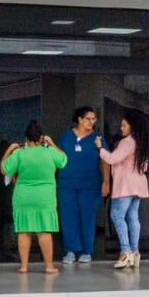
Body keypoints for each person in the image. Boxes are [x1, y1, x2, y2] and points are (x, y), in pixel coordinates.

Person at [0, 121, 67, 274]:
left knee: (24, 231)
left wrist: (9, 150)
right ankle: (49, 266)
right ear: (42, 138)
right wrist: (52, 143)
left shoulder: (19, 154)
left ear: (26, 139)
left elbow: (4, 169)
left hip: (23, 197)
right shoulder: (50, 152)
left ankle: (24, 266)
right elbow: (63, 160)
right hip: (45, 197)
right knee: (44, 231)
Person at [97, 110, 149, 268]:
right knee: (133, 216)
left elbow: (112, 159)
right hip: (138, 184)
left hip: (125, 185)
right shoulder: (141, 142)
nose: (121, 128)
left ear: (132, 126)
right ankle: (135, 252)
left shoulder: (127, 142)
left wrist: (100, 148)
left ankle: (125, 251)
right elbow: (145, 165)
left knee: (117, 215)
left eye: (124, 125)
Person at [56, 105, 109, 264]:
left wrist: (106, 181)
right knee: (68, 216)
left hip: (90, 184)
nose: (91, 122)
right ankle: (71, 250)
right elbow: (56, 157)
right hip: (67, 184)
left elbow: (105, 160)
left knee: (88, 217)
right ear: (79, 119)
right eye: (88, 119)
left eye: (94, 119)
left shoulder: (98, 138)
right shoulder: (66, 136)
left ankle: (87, 251)